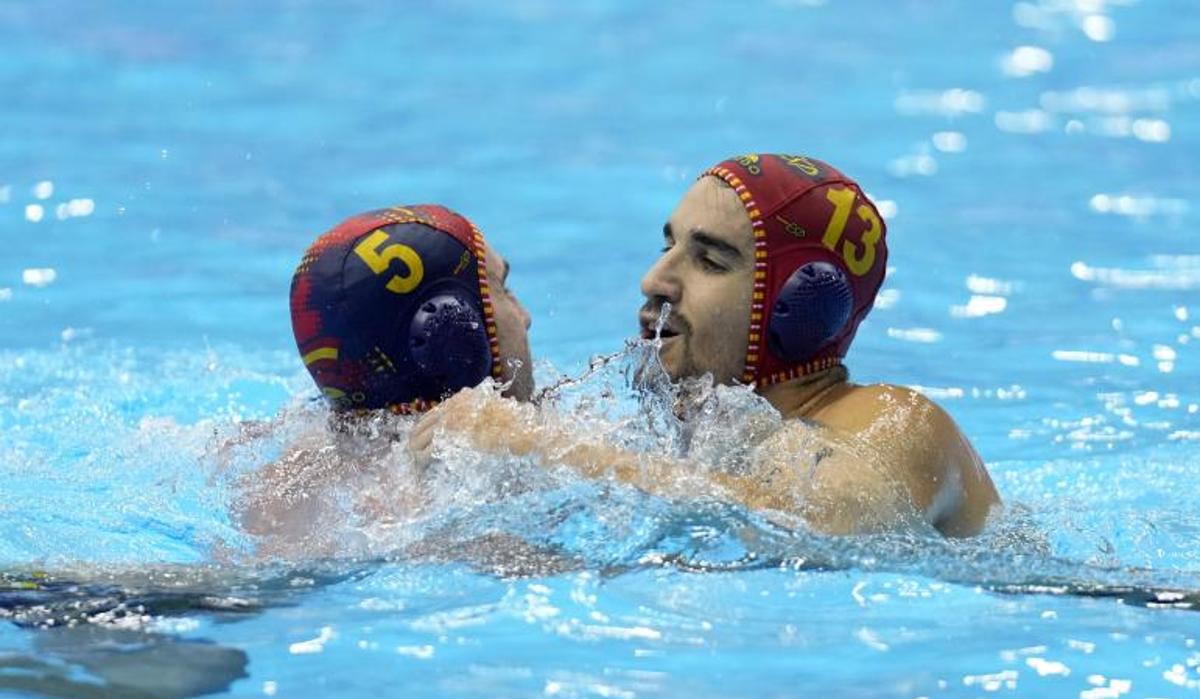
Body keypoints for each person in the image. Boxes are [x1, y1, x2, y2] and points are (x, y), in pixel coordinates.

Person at [412, 155, 1000, 537]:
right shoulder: (720, 443)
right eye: (666, 246)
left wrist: (550, 449)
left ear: (798, 307)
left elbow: (832, 527)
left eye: (709, 260)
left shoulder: (896, 422)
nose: (655, 280)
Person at [237, 204, 533, 554]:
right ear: (451, 332)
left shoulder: (278, 476)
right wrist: (539, 449)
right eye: (502, 289)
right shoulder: (491, 458)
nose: (524, 316)